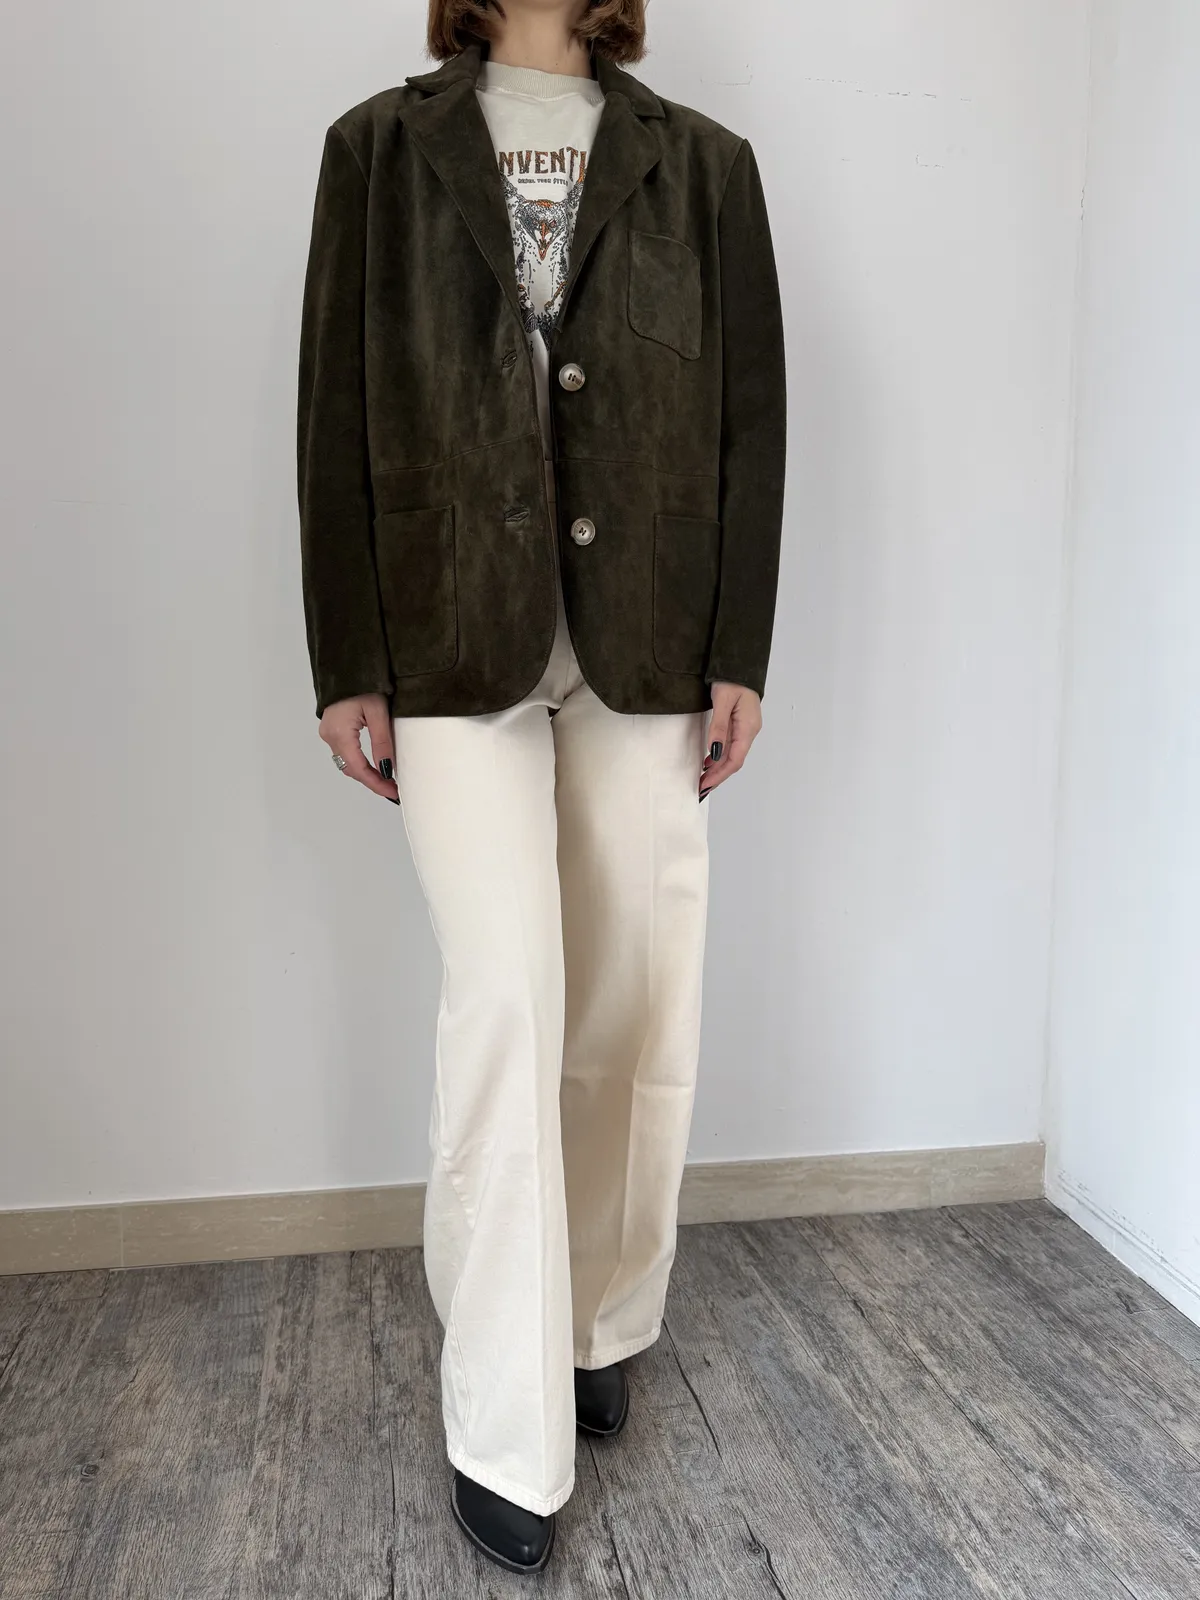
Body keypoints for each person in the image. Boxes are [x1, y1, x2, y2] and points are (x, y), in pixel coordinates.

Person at [296, 0, 786, 1575]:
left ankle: (594, 1321)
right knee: (507, 998)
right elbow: (333, 415)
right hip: (451, 634)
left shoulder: (703, 167)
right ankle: (503, 1422)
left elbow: (751, 418)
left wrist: (740, 646)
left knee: (632, 1006)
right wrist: (346, 655)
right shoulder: (378, 153)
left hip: (648, 633)